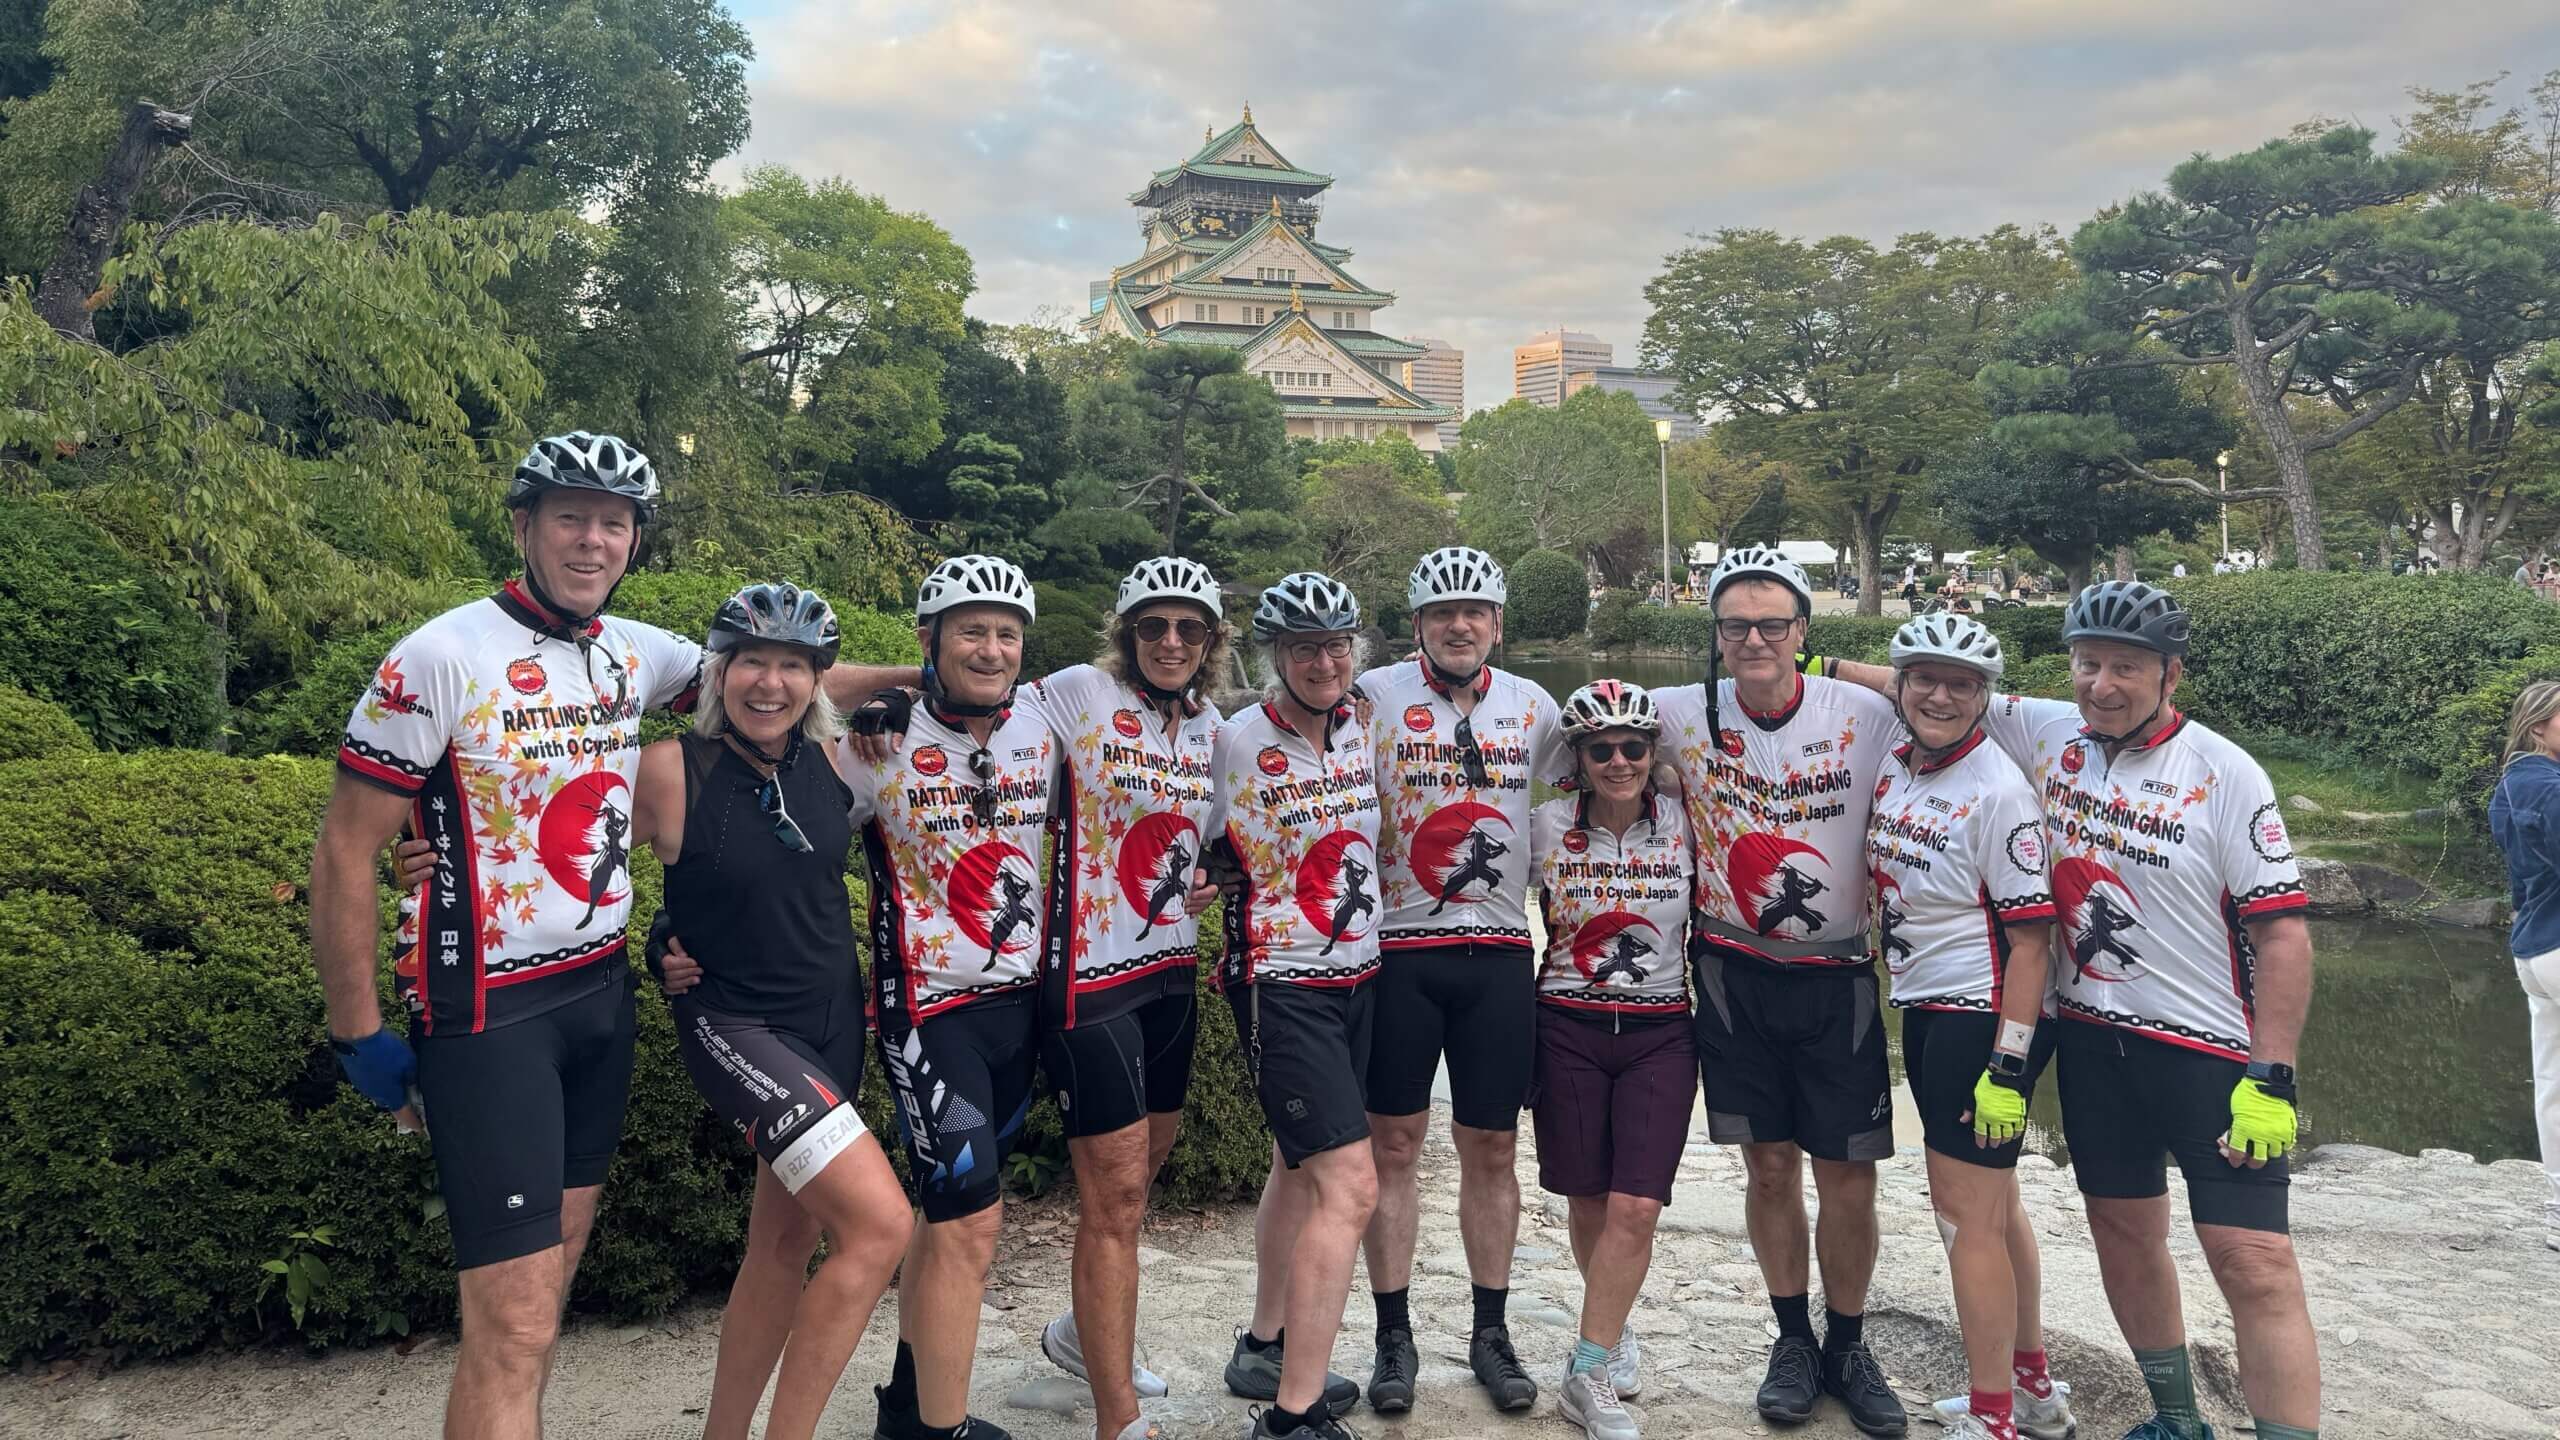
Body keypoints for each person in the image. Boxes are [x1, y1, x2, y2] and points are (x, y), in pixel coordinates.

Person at [1829, 581, 2321, 1440]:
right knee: (2124, 1234)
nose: (2101, 684)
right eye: (2087, 663)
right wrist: (1803, 657)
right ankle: (2175, 1418)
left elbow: (2281, 935)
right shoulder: (2048, 728)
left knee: (2256, 1263)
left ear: (2171, 673)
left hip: (2206, 1048)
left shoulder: (2224, 771)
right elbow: (1922, 682)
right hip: (2093, 1037)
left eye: (2125, 667)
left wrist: (2272, 1075)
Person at [312, 432, 702, 1439]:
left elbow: (774, 684)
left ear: (634, 541)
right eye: (569, 515)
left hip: (598, 1000)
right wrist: (358, 1032)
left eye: (613, 522)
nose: (591, 539)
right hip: (485, 1015)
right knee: (517, 1318)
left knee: (533, 1311)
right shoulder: (439, 657)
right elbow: (346, 850)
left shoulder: (636, 653)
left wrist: (920, 683)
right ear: (524, 525)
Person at [636, 584, 910, 1440]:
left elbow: (862, 687)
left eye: (794, 665)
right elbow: (551, 845)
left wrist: (912, 674)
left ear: (818, 682)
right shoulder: (670, 767)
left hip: (831, 1022)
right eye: (751, 660)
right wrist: (424, 853)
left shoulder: (831, 763)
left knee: (783, 1246)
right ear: (716, 673)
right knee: (878, 1227)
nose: (770, 682)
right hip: (737, 1025)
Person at [1650, 544, 1907, 1436]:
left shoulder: (1864, 711)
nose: (1753, 640)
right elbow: (1583, 745)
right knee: (1768, 1165)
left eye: (1773, 624)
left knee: (1849, 1174)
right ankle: (1792, 1338)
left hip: (1837, 973)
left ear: (1802, 629)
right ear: (1714, 637)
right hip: (1731, 972)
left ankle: (1849, 1340)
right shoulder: (1679, 712)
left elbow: (1949, 679)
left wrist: (1829, 663)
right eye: (1735, 626)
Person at [1022, 558, 1231, 1440]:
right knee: (1112, 1202)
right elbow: (968, 700)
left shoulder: (1213, 728)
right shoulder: (1077, 693)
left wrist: (1217, 876)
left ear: (1212, 642)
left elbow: (1219, 840)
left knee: (1135, 1185)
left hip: (1169, 974)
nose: (1172, 642)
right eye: (1154, 627)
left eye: (1190, 628)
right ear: (1127, 633)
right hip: (1087, 978)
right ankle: (1119, 1422)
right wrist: (891, 696)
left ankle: (1080, 1335)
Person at [1353, 546, 1563, 1416]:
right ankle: (1392, 1335)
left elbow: (1602, 774)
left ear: (1498, 624)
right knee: (1393, 1146)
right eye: (1443, 613)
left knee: (1493, 1147)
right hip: (1400, 948)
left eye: (1475, 611)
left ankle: (1490, 1329)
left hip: (1503, 950)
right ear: (1417, 627)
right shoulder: (1371, 697)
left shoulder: (1534, 704)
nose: (1460, 624)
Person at [853, 555, 1056, 1440]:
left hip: (1020, 1008)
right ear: (929, 639)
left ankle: (907, 1401)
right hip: (929, 1012)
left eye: (1007, 632)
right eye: (970, 629)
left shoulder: (1045, 728)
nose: (992, 647)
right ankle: (938, 1433)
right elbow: (773, 820)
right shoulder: (874, 741)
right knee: (972, 1224)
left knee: (951, 1216)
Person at [1865, 615, 2079, 1440]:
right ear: (1902, 684)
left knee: (1964, 1219)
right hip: (1929, 1004)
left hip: (1983, 1017)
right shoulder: (1903, 762)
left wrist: (2007, 1067)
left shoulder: (1998, 791)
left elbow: (2034, 939)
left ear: (1989, 697)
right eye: (1925, 678)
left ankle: (1993, 1417)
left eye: (1963, 684)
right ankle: (2031, 1387)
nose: (1941, 695)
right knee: (1999, 1209)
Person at [1209, 571, 1383, 1440]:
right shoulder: (1231, 738)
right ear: (1275, 656)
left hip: (1362, 976)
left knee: (1295, 1165)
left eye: (1337, 644)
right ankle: (1291, 1418)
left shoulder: (1366, 723)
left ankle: (1265, 1346)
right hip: (1282, 982)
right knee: (1349, 1188)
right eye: (1305, 648)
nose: (1324, 661)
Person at [1528, 681, 1696, 1440]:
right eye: (1602, 749)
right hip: (1567, 1022)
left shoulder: (1687, 827)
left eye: (1634, 746)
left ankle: (1587, 1367)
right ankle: (1613, 1327)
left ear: (1652, 752)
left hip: (1662, 1028)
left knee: (1638, 1203)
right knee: (1589, 1200)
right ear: (1580, 757)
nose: (1619, 761)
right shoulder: (1545, 826)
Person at [2487, 680, 2560, 1254]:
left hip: (2535, 946)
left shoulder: (2511, 786)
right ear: (2538, 727)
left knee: (2554, 1085)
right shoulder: (2544, 783)